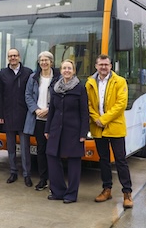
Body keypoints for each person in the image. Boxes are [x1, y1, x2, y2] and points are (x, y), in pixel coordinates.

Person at [85, 54, 133, 208]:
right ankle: (107, 190)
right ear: (96, 66)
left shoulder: (120, 81)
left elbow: (121, 104)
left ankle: (127, 193)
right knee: (103, 160)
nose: (103, 67)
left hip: (115, 128)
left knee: (120, 160)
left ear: (111, 66)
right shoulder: (90, 83)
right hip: (98, 129)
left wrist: (103, 119)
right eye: (101, 65)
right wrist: (96, 119)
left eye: (106, 64)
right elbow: (88, 104)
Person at [44, 59, 89, 203]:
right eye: (64, 68)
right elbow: (51, 110)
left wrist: (83, 133)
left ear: (74, 71)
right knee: (52, 157)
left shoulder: (80, 88)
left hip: (74, 131)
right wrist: (47, 129)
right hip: (56, 129)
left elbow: (84, 112)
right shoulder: (55, 88)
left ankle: (71, 194)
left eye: (69, 68)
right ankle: (58, 191)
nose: (67, 71)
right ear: (61, 70)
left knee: (74, 161)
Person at [23, 51, 60, 191]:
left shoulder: (58, 78)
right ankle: (43, 179)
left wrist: (49, 110)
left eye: (47, 60)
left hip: (53, 119)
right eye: (41, 60)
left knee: (53, 150)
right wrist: (36, 109)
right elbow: (27, 95)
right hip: (38, 119)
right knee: (41, 150)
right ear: (39, 62)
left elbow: (60, 97)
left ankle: (54, 181)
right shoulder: (33, 77)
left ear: (51, 62)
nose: (44, 62)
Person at [0, 48, 33, 187]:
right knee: (11, 147)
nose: (13, 58)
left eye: (15, 55)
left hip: (24, 116)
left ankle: (27, 175)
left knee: (25, 148)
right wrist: (0, 115)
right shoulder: (3, 73)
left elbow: (31, 93)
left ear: (19, 57)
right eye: (10, 56)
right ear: (8, 58)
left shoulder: (28, 73)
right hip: (8, 115)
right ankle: (13, 172)